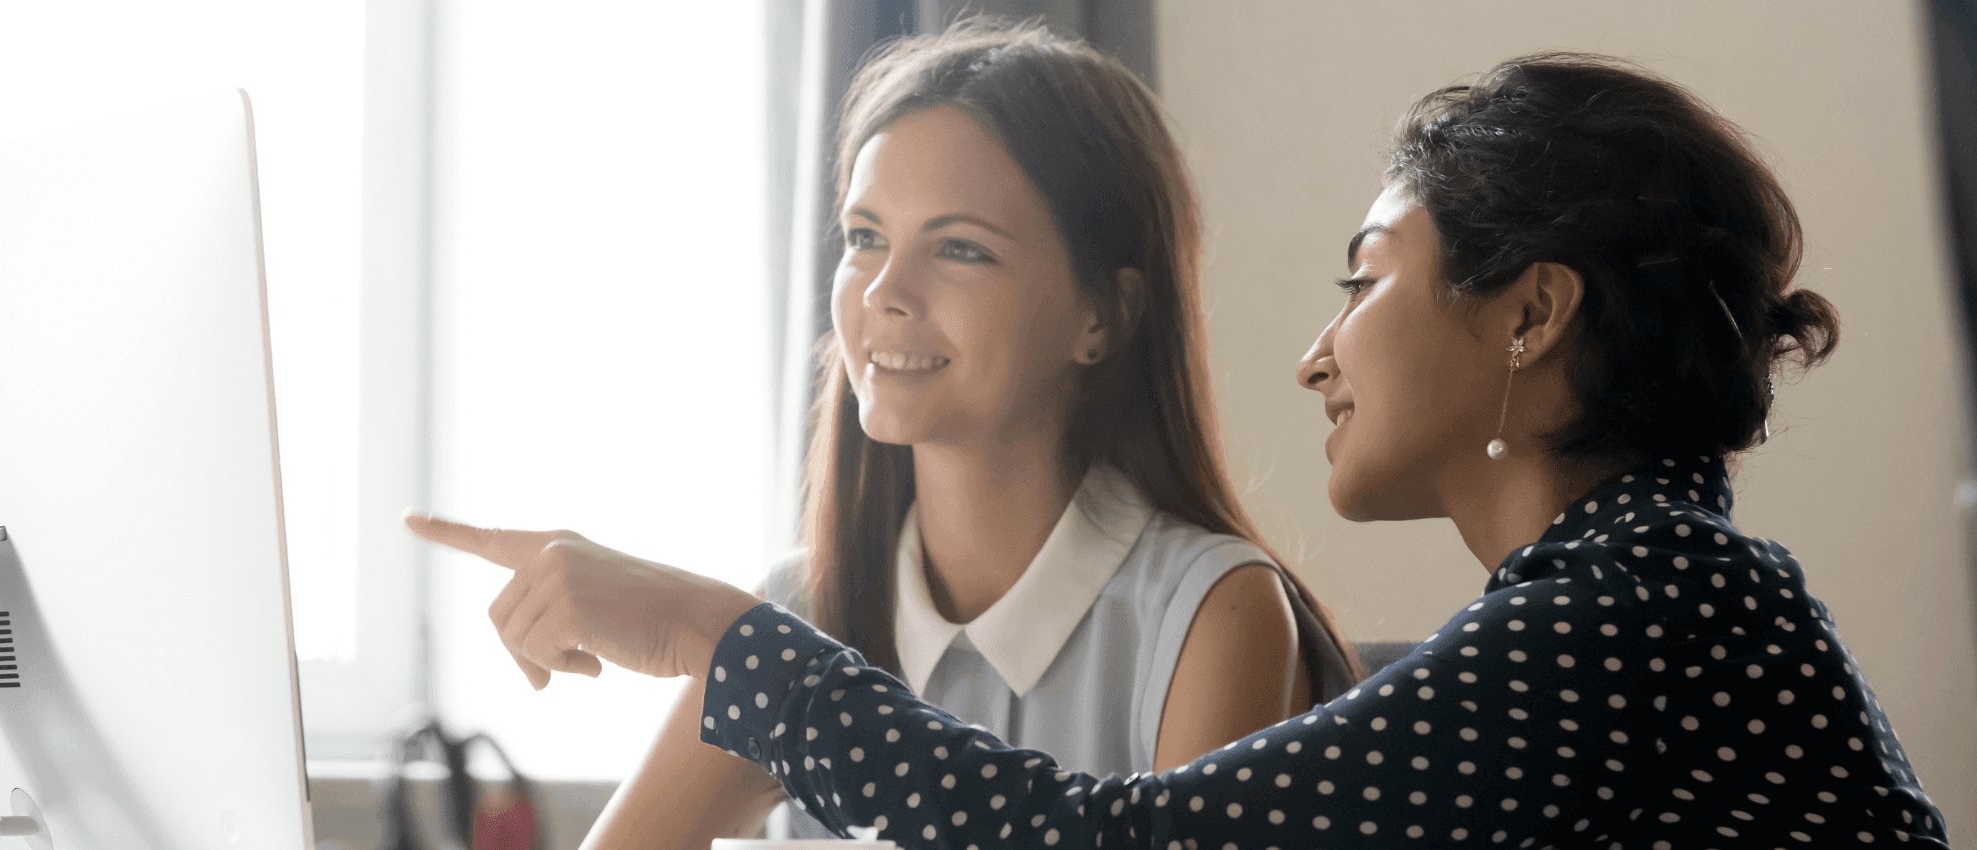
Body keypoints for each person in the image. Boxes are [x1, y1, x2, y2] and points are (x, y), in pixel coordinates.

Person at [409, 53, 1953, 846]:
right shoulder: (1622, 603)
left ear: (1530, 313)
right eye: (866, 236)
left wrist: (707, 634)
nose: (1317, 346)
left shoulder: (1652, 602)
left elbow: (1127, 844)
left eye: (1364, 280)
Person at [451, 20, 1359, 848]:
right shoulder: (803, 609)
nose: (885, 290)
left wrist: (707, 630)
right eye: (864, 236)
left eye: (960, 247)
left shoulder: (1214, 613)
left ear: (1104, 314)